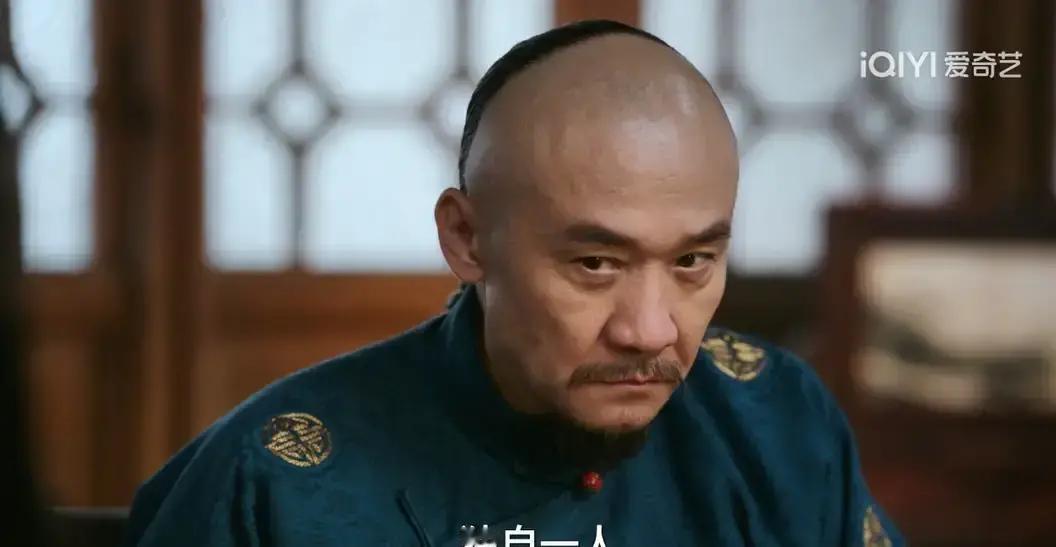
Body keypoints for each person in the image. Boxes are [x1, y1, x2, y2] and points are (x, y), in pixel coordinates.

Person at [125, 20, 902, 546]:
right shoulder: (280, 483)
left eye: (692, 262)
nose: (650, 329)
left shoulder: (775, 425)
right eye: (595, 264)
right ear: (467, 239)